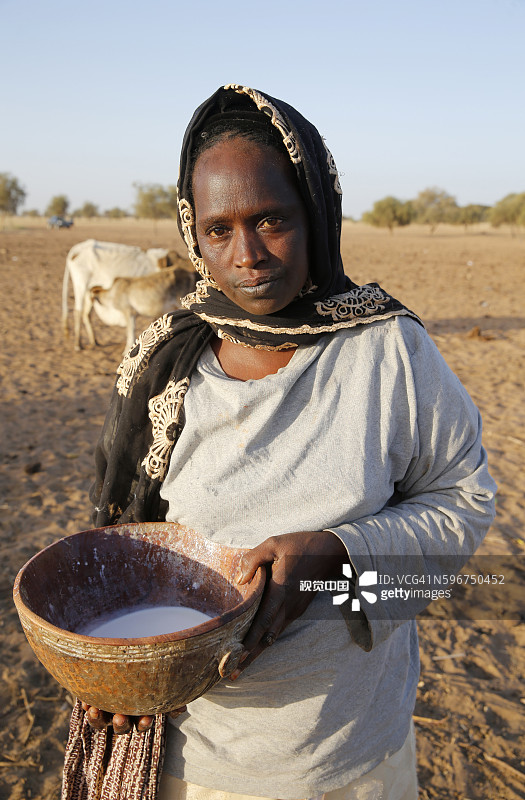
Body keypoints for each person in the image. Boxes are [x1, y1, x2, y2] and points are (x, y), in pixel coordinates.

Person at [62, 85, 496, 800]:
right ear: (191, 232)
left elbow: (464, 501)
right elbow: (122, 549)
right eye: (219, 230)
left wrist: (342, 554)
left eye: (272, 220)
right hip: (195, 763)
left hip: (350, 761)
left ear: (317, 214)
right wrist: (113, 667)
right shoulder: (166, 361)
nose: (248, 255)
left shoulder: (388, 351)